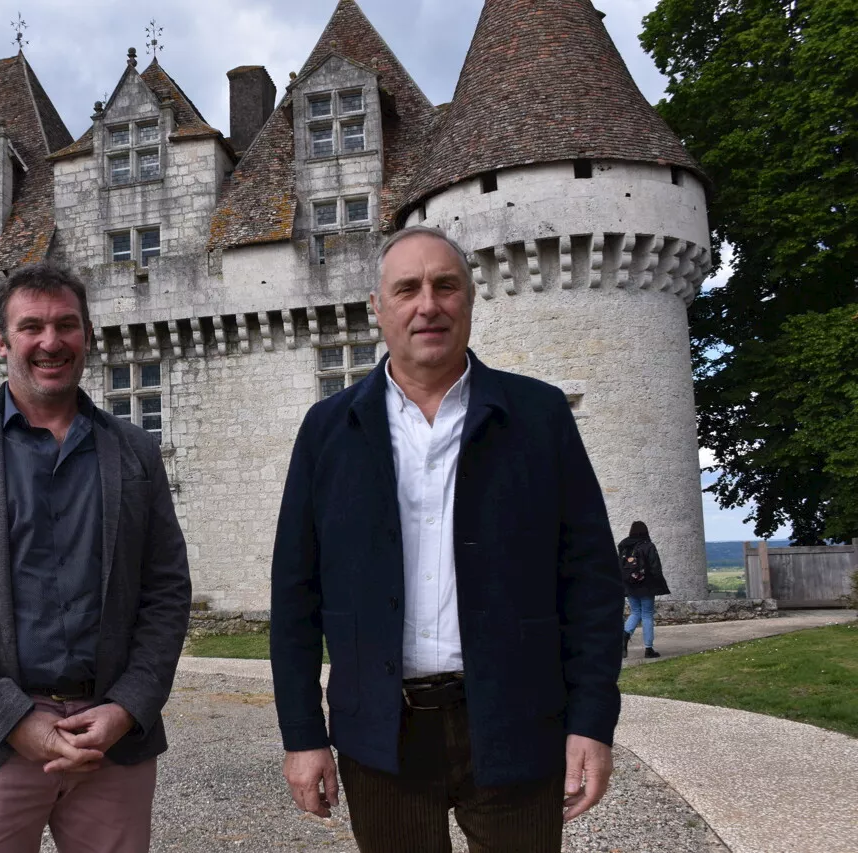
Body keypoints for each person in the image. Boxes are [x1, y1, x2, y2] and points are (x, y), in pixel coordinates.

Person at [270, 226, 625, 853]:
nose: (427, 304)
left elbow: (591, 582)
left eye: (445, 285)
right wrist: (302, 734)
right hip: (382, 734)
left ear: (469, 298)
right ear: (378, 308)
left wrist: (592, 722)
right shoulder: (328, 430)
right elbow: (295, 593)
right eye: (406, 289)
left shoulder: (538, 416)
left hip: (518, 721)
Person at [0, 262, 192, 853]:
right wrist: (9, 719)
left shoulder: (134, 451)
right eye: (31, 327)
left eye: (66, 325)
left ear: (87, 335)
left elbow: (167, 592)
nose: (50, 342)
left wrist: (128, 708)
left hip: (111, 742)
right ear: (1, 342)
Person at [619, 520, 670, 659]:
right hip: (646, 585)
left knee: (635, 612)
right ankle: (648, 649)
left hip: (629, 584)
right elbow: (655, 568)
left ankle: (624, 636)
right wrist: (659, 584)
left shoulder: (623, 546)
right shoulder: (648, 546)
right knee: (647, 614)